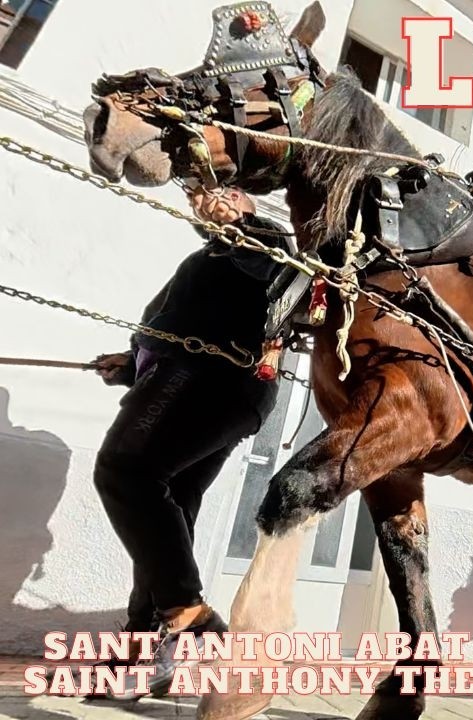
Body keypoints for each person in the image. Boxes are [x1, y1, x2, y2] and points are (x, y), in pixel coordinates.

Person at [87, 187, 288, 699]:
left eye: (227, 192)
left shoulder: (265, 243)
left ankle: (189, 616)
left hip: (205, 381)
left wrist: (238, 224)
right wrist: (129, 363)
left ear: (247, 203)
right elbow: (172, 327)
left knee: (125, 471)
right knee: (164, 508)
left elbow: (266, 265)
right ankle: (145, 645)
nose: (210, 198)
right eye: (205, 195)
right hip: (203, 385)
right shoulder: (204, 261)